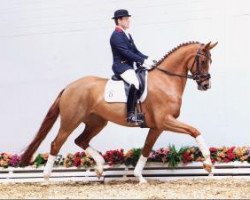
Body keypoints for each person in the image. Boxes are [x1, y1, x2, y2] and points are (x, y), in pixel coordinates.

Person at [110, 9, 155, 125]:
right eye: (126, 19)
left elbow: (135, 51)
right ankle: (130, 115)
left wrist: (148, 59)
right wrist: (142, 61)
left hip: (129, 66)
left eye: (128, 19)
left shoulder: (127, 35)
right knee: (135, 83)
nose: (128, 21)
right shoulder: (116, 36)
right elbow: (126, 53)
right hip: (121, 66)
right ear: (119, 20)